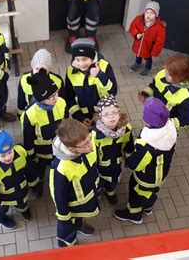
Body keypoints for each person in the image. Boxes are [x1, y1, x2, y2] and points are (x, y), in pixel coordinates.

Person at [114, 98, 177, 224]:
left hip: (146, 177)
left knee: (136, 190)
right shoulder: (170, 128)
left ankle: (135, 214)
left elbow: (137, 164)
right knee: (150, 191)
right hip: (161, 171)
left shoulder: (147, 144)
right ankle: (148, 208)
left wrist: (128, 160)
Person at [50, 118, 99, 247]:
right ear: (72, 150)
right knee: (66, 228)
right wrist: (64, 216)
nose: (91, 144)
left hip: (85, 197)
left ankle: (78, 224)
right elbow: (60, 196)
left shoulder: (85, 146)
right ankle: (67, 243)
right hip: (71, 208)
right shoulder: (61, 169)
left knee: (78, 217)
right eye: (86, 144)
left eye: (89, 139)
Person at [21, 68, 68, 196]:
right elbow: (28, 137)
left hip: (59, 147)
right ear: (40, 98)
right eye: (50, 97)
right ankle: (39, 183)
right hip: (40, 152)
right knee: (39, 171)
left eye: (56, 93)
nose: (55, 98)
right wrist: (31, 155)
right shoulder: (30, 114)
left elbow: (67, 121)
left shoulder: (62, 103)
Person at [0, 130, 38, 229]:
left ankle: (23, 209)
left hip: (21, 189)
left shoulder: (21, 151)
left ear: (13, 146)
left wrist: (33, 182)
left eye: (10, 152)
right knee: (2, 209)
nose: (8, 157)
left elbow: (29, 169)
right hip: (3, 197)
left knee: (22, 202)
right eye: (3, 155)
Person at [91, 95, 134, 204]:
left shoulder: (126, 129)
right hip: (100, 167)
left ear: (119, 114)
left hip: (117, 164)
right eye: (106, 114)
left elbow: (129, 145)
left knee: (113, 182)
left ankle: (110, 193)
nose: (111, 116)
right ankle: (98, 192)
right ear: (100, 118)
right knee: (97, 183)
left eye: (114, 113)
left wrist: (129, 159)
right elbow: (92, 154)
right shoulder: (95, 135)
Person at [65, 38, 117, 126]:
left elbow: (112, 91)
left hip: (103, 114)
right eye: (77, 59)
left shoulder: (104, 66)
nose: (81, 64)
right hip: (82, 115)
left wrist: (100, 75)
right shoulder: (70, 71)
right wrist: (79, 117)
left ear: (92, 58)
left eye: (84, 59)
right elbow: (69, 96)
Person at [139, 54, 189, 129]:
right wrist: (145, 94)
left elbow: (187, 120)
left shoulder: (187, 98)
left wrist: (166, 123)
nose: (164, 74)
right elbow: (154, 85)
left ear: (179, 77)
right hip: (157, 111)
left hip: (167, 125)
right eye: (165, 69)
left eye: (168, 73)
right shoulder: (162, 74)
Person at [17, 48, 64, 117]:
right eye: (37, 68)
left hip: (51, 113)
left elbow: (62, 99)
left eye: (43, 70)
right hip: (32, 114)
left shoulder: (57, 80)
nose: (39, 72)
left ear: (49, 69)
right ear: (32, 66)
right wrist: (21, 114)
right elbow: (21, 98)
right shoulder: (24, 79)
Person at [128, 1, 166, 77]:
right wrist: (136, 34)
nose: (149, 15)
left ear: (156, 15)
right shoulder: (138, 19)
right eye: (147, 12)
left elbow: (160, 41)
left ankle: (147, 68)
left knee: (148, 58)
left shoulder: (159, 27)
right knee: (138, 54)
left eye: (152, 13)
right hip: (138, 45)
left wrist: (155, 51)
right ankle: (137, 63)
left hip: (148, 47)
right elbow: (132, 27)